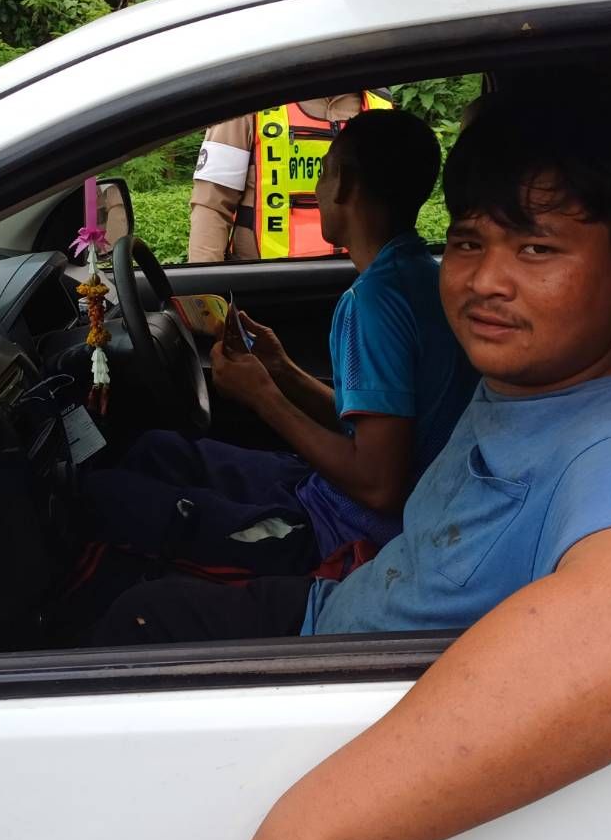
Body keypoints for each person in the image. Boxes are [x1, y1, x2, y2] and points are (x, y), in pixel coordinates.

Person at [95, 97, 611, 840]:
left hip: (342, 673)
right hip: (344, 601)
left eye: (536, 248)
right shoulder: (542, 373)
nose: (486, 281)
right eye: (467, 242)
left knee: (124, 599)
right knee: (140, 607)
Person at [84, 109, 477, 576]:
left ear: (345, 184)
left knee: (102, 500)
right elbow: (378, 428)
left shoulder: (371, 303)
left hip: (341, 534)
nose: (317, 189)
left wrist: (263, 398)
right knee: (156, 449)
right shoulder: (421, 277)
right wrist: (281, 370)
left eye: (323, 173)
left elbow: (379, 486)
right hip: (329, 494)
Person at [188, 91, 392, 263]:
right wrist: (204, 290)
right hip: (265, 285)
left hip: (360, 283)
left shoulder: (382, 105)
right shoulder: (248, 99)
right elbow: (211, 205)